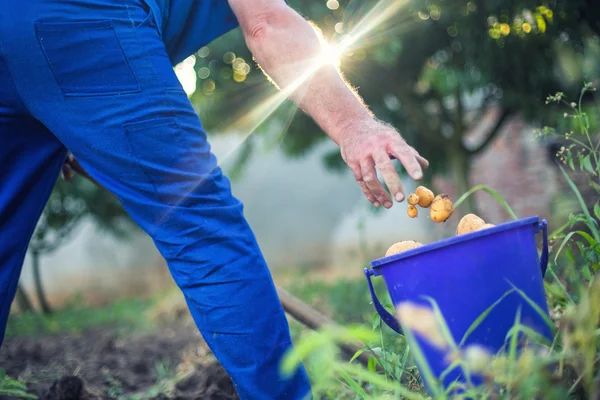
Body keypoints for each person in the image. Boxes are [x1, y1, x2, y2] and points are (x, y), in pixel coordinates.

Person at [0, 0, 428, 398]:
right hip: (82, 25)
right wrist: (355, 126)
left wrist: (66, 116)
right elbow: (268, 24)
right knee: (202, 231)